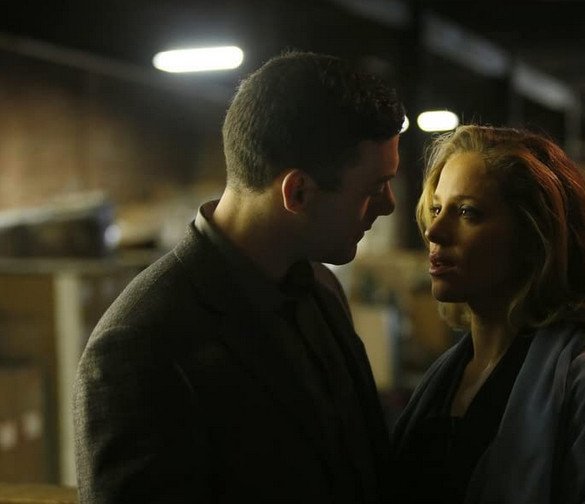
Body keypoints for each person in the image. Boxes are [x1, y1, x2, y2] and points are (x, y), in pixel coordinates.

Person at [74, 51, 405, 503]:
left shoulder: (320, 287)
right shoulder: (139, 347)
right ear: (298, 192)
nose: (388, 205)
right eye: (374, 188)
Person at [392, 125, 585, 503]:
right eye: (436, 209)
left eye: (467, 212)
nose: (435, 232)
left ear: (533, 236)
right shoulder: (444, 380)